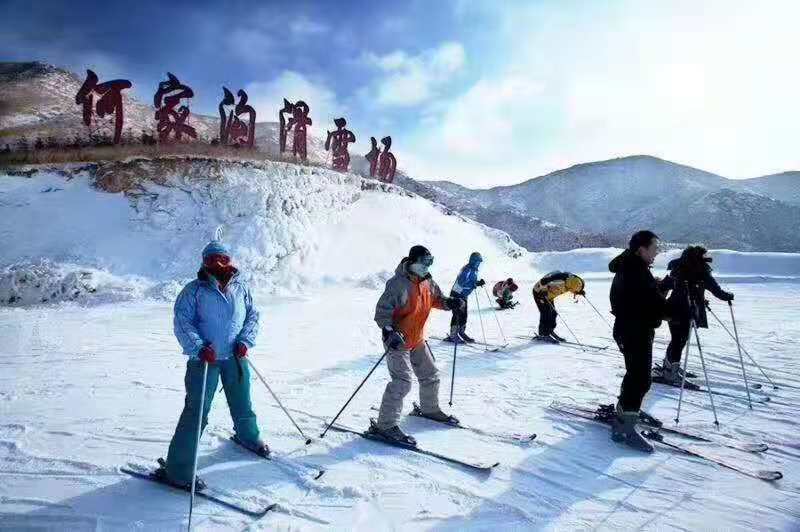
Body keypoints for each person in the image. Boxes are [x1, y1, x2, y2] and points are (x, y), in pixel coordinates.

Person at [157, 240, 264, 489]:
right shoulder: (194, 290)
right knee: (196, 413)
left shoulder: (241, 288)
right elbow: (183, 321)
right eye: (212, 259)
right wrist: (199, 347)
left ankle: (248, 437)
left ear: (230, 261)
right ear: (204, 263)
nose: (218, 263)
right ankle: (178, 470)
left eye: (223, 258)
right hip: (205, 361)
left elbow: (253, 316)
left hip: (235, 358)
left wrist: (245, 340)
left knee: (243, 402)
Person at [371, 245, 464, 445]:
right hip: (398, 341)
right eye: (424, 262)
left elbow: (437, 300)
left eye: (430, 262)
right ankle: (385, 426)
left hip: (417, 338)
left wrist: (450, 303)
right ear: (412, 262)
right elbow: (382, 311)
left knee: (430, 374)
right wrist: (388, 331)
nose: (427, 266)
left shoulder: (428, 281)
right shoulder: (397, 284)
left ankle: (430, 409)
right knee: (402, 382)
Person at [608, 230, 672, 452]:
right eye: (654, 248)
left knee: (636, 375)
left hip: (633, 328)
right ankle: (625, 425)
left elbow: (646, 296)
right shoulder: (635, 270)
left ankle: (627, 410)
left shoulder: (634, 267)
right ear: (641, 249)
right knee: (641, 378)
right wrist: (680, 310)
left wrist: (664, 287)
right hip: (633, 329)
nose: (656, 253)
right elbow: (653, 303)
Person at [656, 246, 734, 384]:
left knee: (676, 340)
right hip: (688, 312)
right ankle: (671, 372)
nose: (706, 258)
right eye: (704, 255)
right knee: (680, 341)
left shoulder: (678, 269)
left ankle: (669, 368)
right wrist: (728, 296)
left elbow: (663, 286)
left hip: (672, 310)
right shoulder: (702, 272)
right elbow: (717, 291)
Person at [531, 271, 585, 342]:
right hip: (539, 293)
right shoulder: (559, 282)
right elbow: (544, 281)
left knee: (553, 313)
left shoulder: (572, 280)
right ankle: (543, 335)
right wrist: (543, 290)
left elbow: (575, 285)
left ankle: (549, 331)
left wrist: (578, 291)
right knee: (545, 313)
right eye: (573, 290)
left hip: (549, 296)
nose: (571, 291)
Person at [444, 252, 485, 343]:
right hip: (457, 294)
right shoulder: (467, 269)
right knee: (457, 315)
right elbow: (461, 282)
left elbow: (470, 282)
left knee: (464, 315)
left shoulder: (473, 270)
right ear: (473, 261)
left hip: (463, 295)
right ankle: (453, 335)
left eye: (479, 262)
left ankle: (461, 332)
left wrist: (477, 283)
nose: (479, 264)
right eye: (478, 262)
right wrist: (474, 284)